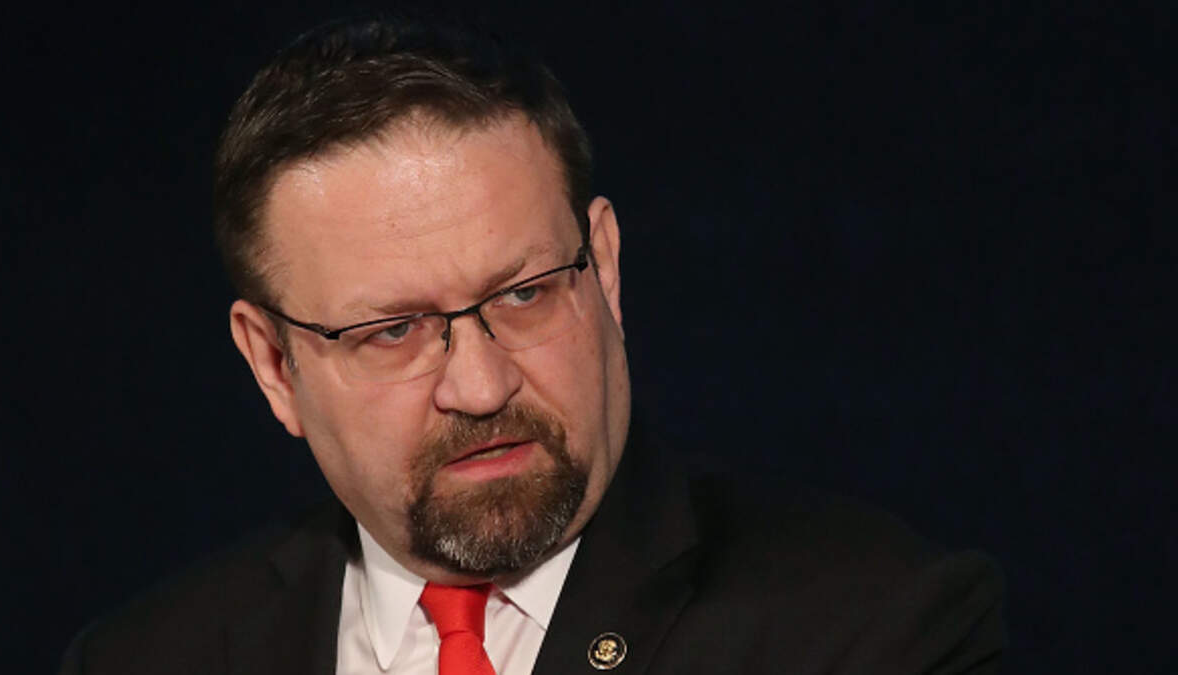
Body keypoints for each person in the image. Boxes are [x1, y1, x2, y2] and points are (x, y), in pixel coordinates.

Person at [60, 15, 1005, 675]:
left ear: (605, 268)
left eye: (524, 294)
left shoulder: (872, 630)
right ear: (274, 364)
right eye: (394, 330)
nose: (480, 384)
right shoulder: (143, 659)